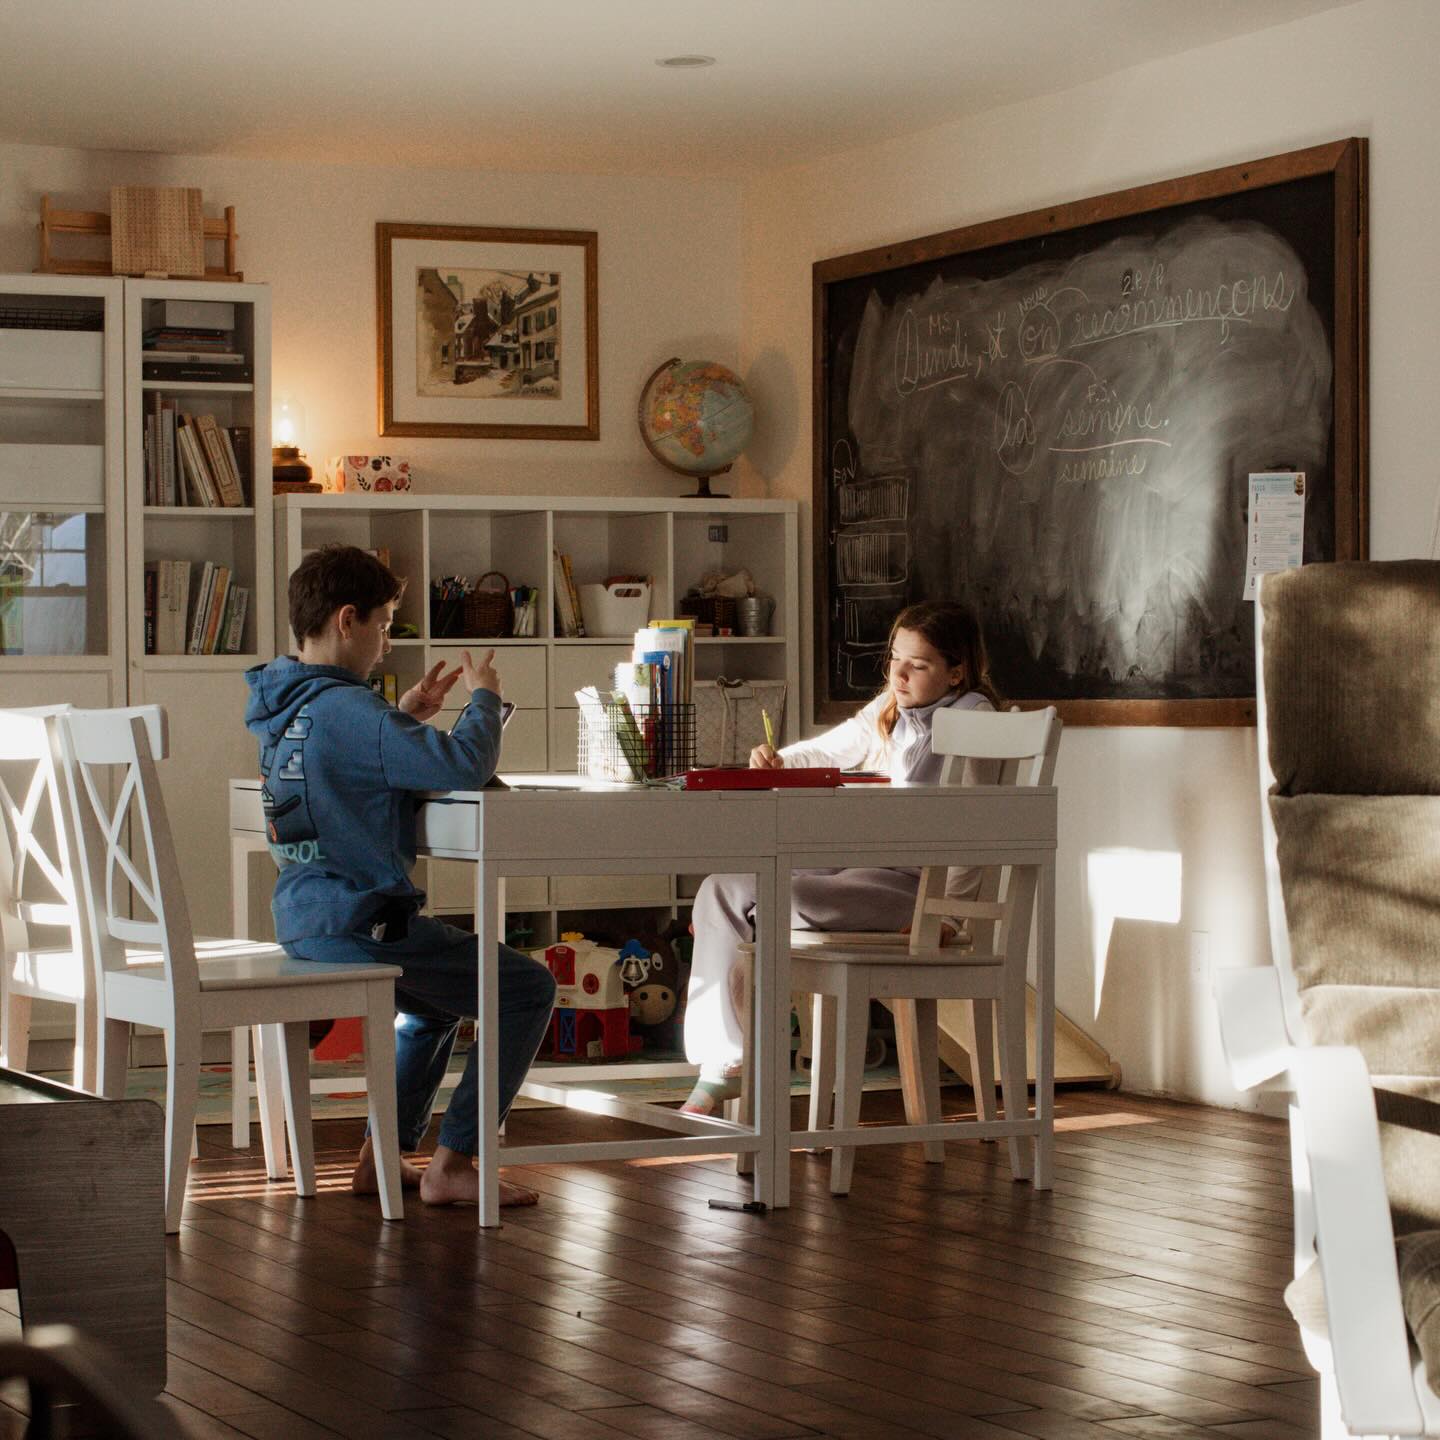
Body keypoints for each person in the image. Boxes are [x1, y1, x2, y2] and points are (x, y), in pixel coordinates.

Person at [244, 544, 556, 1207]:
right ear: (347, 620)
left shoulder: (287, 708)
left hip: (306, 918)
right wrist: (486, 701)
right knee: (526, 988)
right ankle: (455, 1163)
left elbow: (338, 773)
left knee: (434, 1005)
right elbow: (462, 766)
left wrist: (404, 721)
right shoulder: (349, 711)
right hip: (362, 924)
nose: (388, 641)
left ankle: (378, 1156)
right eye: (384, 624)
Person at [681, 600, 1001, 1114]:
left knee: (746, 898)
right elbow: (833, 748)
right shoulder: (895, 708)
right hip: (863, 874)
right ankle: (726, 1062)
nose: (898, 673)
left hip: (913, 892)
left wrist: (949, 915)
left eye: (917, 665)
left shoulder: (973, 719)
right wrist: (781, 760)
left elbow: (978, 829)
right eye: (896, 658)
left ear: (956, 672)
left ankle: (727, 1067)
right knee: (722, 889)